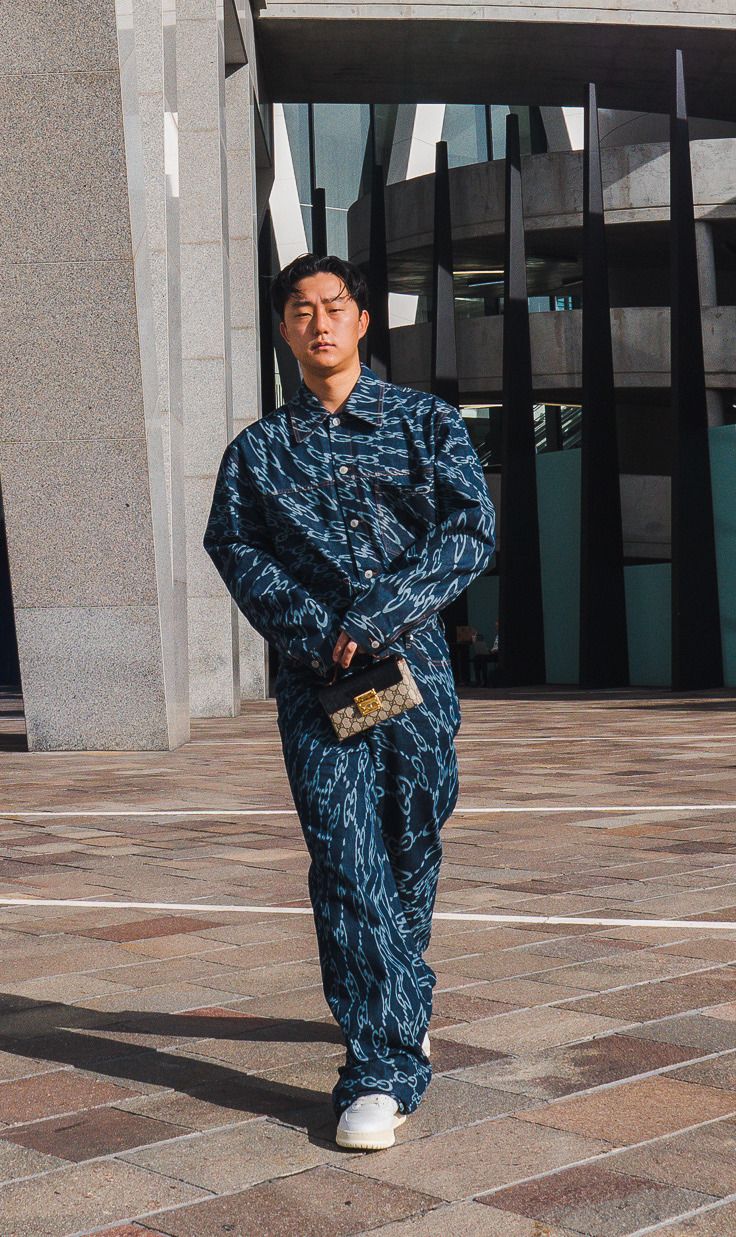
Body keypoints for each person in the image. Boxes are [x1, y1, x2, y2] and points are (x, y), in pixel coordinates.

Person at [204, 252, 494, 1151]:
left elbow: (469, 530)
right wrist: (318, 630)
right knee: (345, 858)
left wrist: (378, 616)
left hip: (412, 679)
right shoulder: (258, 453)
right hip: (321, 686)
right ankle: (381, 1067)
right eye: (301, 309)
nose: (319, 322)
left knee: (410, 841)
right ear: (285, 328)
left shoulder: (424, 424)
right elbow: (236, 549)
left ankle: (400, 991)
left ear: (362, 320)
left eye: (334, 307)